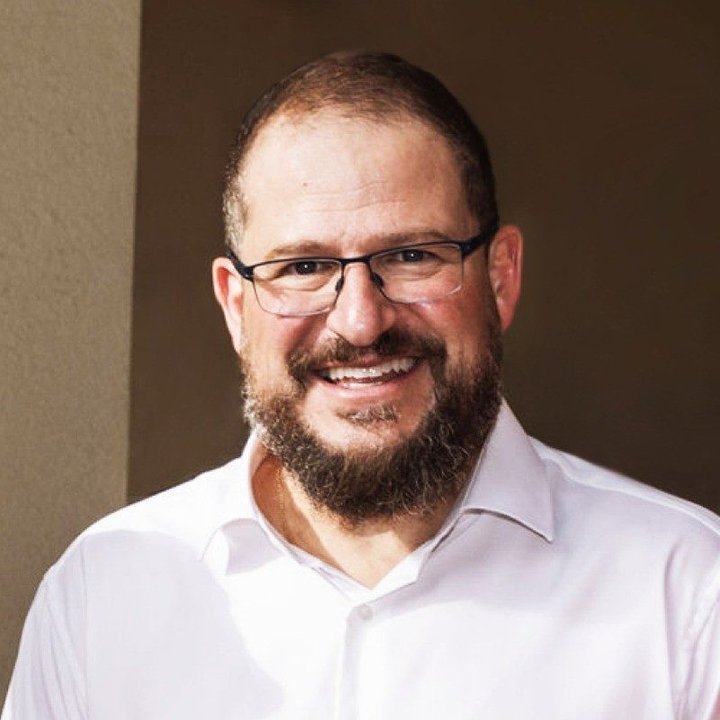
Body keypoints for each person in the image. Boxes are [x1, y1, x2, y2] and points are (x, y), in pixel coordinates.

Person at [3, 51, 720, 720]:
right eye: (303, 267)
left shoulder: (688, 597)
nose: (360, 321)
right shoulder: (102, 596)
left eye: (411, 256)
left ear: (500, 278)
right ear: (235, 305)